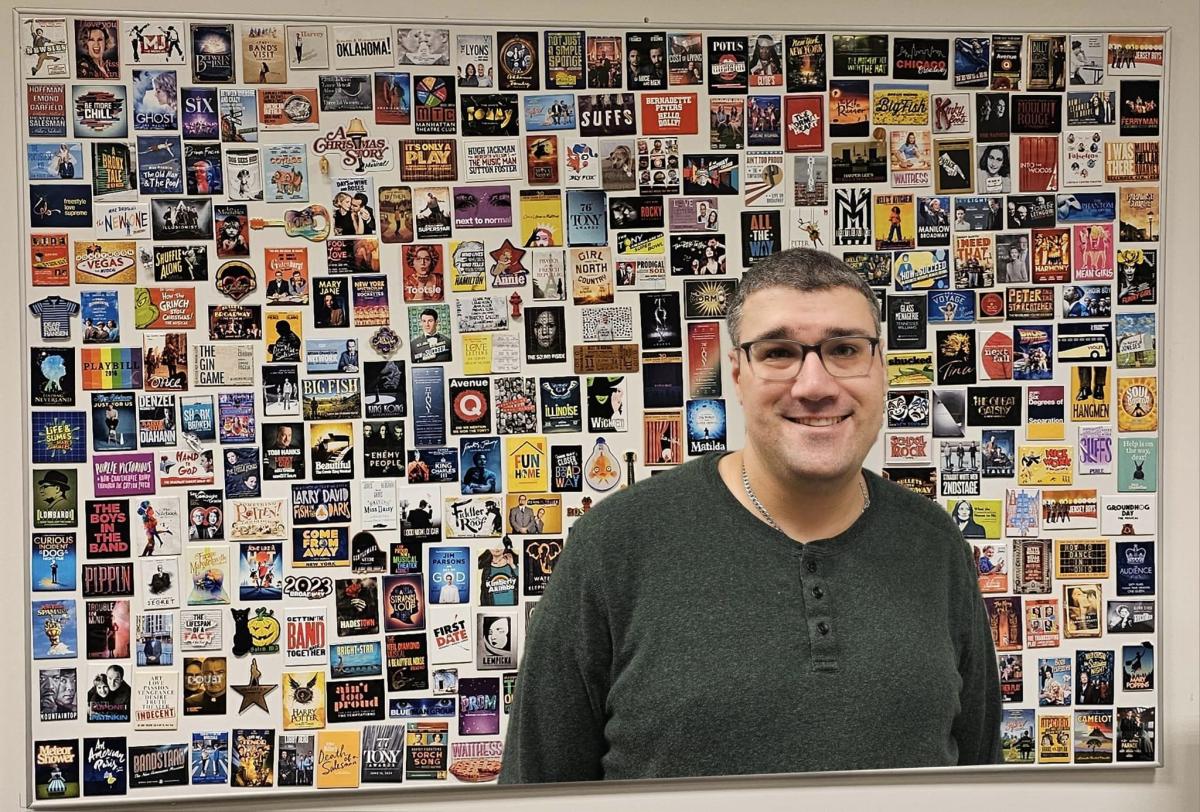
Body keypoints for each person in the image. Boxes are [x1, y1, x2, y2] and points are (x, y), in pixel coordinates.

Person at [501, 248, 1001, 782]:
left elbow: (981, 782)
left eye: (846, 349)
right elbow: (534, 790)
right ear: (736, 374)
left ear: (879, 368)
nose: (814, 385)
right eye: (779, 352)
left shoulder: (935, 544)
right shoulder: (616, 543)